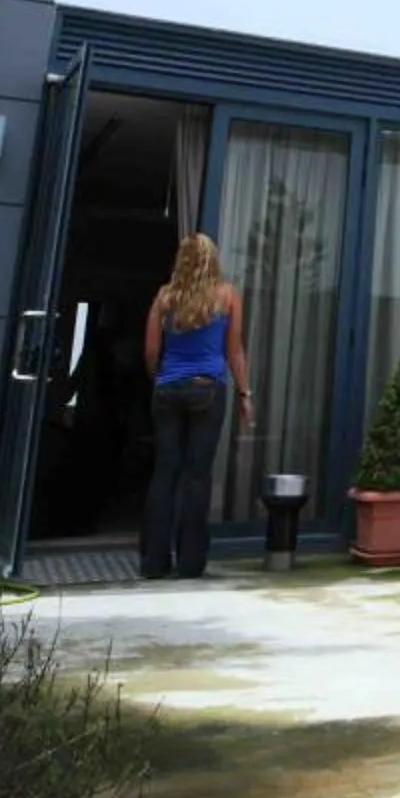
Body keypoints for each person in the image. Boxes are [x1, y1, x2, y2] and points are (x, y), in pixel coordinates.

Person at [140, 233, 251, 579]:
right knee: (197, 476)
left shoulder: (164, 297)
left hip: (167, 390)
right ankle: (190, 564)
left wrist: (160, 379)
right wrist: (246, 394)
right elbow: (234, 350)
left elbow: (150, 353)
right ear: (212, 260)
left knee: (165, 472)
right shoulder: (227, 296)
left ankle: (154, 563)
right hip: (207, 390)